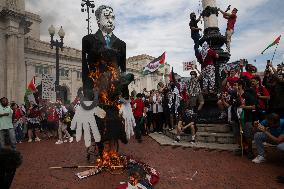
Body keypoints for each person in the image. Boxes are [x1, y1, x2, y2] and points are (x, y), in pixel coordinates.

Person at [82, 5, 126, 99]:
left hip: (113, 91)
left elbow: (123, 70)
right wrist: (87, 90)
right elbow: (85, 68)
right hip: (95, 90)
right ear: (98, 20)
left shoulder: (121, 44)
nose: (110, 20)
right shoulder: (88, 40)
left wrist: (125, 93)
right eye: (106, 17)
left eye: (112, 17)